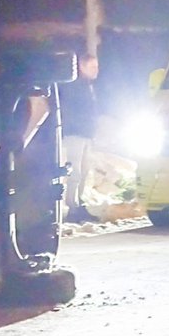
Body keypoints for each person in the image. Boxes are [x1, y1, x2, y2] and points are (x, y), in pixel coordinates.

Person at [58, 53, 99, 222]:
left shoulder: (85, 85)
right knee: (75, 171)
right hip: (75, 133)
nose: (96, 70)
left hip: (84, 133)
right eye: (92, 67)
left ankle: (78, 204)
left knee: (84, 170)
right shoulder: (75, 86)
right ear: (82, 66)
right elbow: (73, 110)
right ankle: (72, 206)